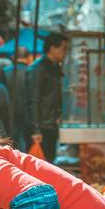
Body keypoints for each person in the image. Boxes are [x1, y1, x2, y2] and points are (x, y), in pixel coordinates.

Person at [26, 32, 68, 163]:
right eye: (63, 49)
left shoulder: (55, 68)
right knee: (40, 165)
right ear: (52, 48)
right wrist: (35, 129)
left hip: (51, 124)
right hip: (41, 127)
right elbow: (33, 99)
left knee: (49, 162)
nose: (65, 53)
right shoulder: (37, 69)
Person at [0, 47, 31, 151]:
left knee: (11, 143)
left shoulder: (5, 71)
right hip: (28, 112)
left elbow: (2, 93)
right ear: (28, 57)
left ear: (13, 57)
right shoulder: (31, 71)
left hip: (10, 112)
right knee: (26, 142)